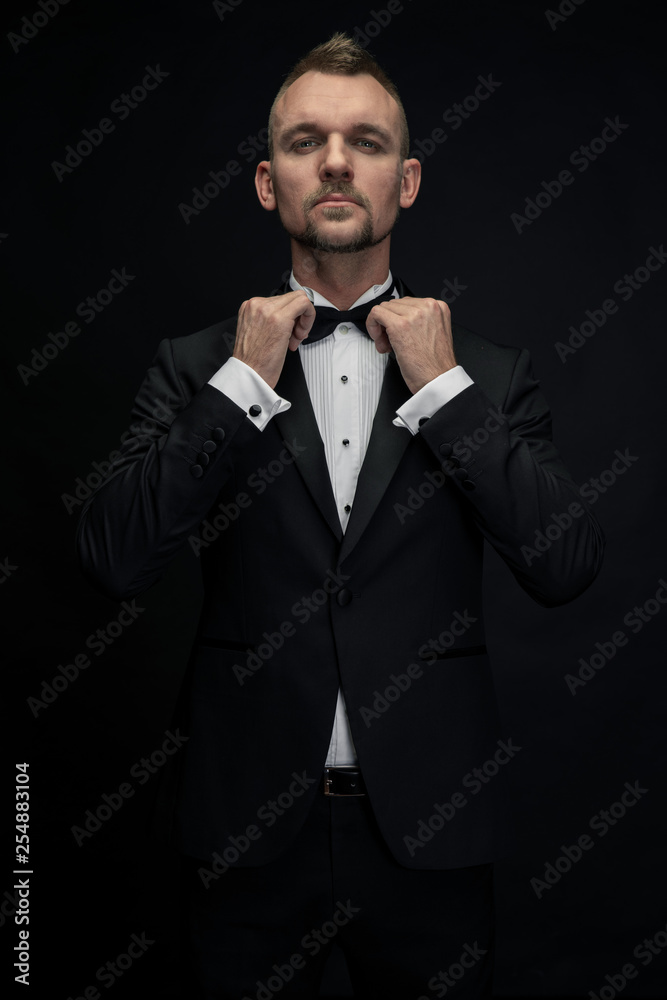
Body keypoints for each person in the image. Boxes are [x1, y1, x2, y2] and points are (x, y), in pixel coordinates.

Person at [77, 32, 604, 1000]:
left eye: (363, 141)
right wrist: (241, 378)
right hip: (242, 825)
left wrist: (443, 387)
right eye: (304, 140)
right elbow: (114, 558)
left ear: (404, 182)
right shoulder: (194, 366)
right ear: (266, 181)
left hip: (432, 829)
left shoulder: (488, 373)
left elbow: (564, 561)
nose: (333, 161)